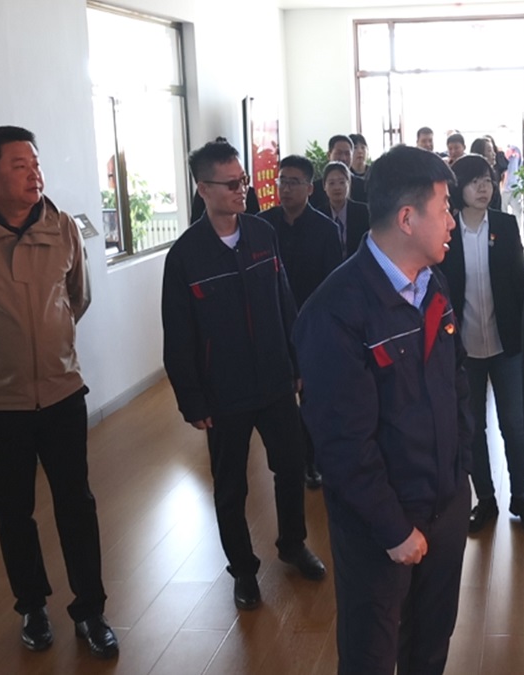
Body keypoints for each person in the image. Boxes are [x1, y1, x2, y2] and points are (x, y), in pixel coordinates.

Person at [0, 126, 118, 658]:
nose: (35, 174)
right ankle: (32, 607)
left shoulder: (62, 227)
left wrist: (52, 347)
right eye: (19, 165)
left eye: (36, 163)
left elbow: (78, 296)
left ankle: (91, 610)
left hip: (61, 393)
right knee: (12, 513)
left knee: (76, 505)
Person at [293, 145, 472, 675]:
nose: (452, 223)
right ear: (407, 218)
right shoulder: (335, 311)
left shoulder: (433, 284)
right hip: (381, 528)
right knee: (371, 656)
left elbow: (457, 383)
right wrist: (393, 529)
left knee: (430, 648)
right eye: (444, 209)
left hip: (443, 506)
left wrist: (460, 474)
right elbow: (342, 443)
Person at [162, 140, 326, 612]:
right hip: (224, 391)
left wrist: (296, 362)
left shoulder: (261, 233)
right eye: (231, 183)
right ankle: (243, 570)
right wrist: (192, 399)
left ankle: (293, 544)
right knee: (231, 486)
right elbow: (178, 335)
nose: (242, 190)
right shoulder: (186, 255)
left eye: (244, 180)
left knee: (290, 467)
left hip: (274, 380)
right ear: (203, 189)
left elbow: (284, 301)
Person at [439, 154, 524, 534]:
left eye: (487, 180)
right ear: (458, 188)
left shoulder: (505, 225)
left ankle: (520, 497)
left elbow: (520, 281)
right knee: (472, 428)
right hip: (464, 348)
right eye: (474, 182)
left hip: (506, 344)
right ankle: (485, 498)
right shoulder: (448, 230)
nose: (483, 188)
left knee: (515, 426)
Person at [259, 154, 344, 490]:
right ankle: (290, 463)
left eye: (293, 182)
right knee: (280, 402)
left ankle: (313, 461)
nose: (285, 189)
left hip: (313, 330)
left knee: (313, 400)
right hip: (273, 328)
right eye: (282, 181)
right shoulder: (262, 226)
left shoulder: (325, 229)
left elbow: (332, 285)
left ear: (310, 188)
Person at [318, 160, 370, 258]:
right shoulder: (319, 216)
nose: (337, 187)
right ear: (324, 186)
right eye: (331, 183)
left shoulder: (364, 213)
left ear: (349, 184)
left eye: (342, 182)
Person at [468, 137, 504, 211]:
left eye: (493, 150)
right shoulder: (470, 177)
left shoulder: (494, 173)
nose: (494, 154)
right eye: (489, 150)